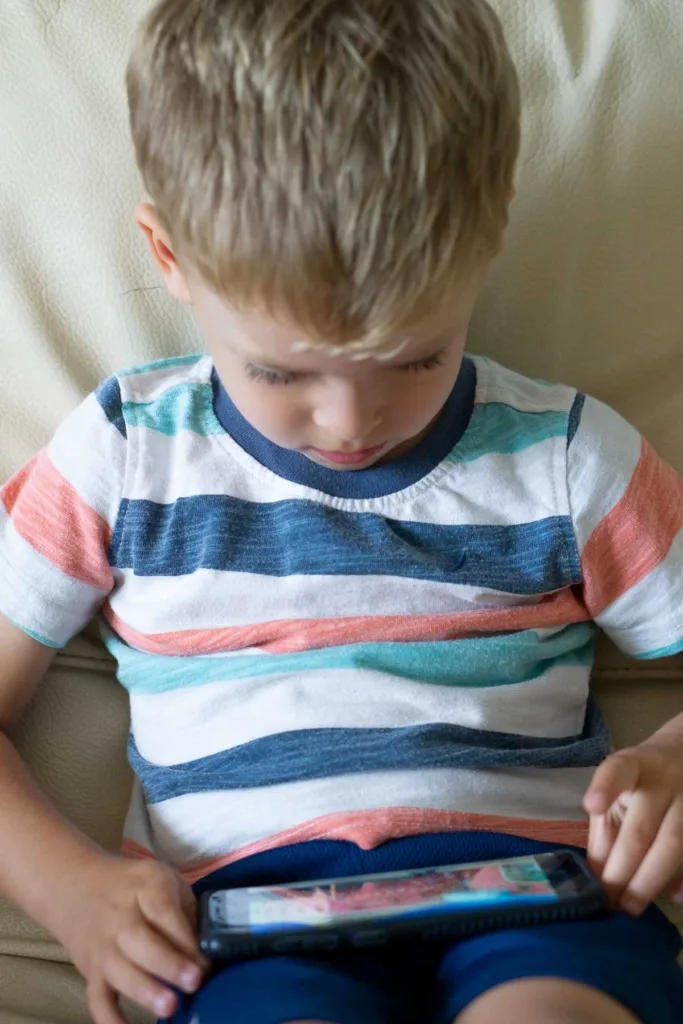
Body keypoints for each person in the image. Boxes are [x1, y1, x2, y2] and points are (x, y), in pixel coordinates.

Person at [0, 1, 682, 1022]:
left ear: (487, 229)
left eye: (413, 357)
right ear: (169, 254)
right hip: (243, 926)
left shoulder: (565, 457)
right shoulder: (124, 453)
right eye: (280, 370)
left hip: (540, 904)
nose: (349, 422)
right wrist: (69, 891)